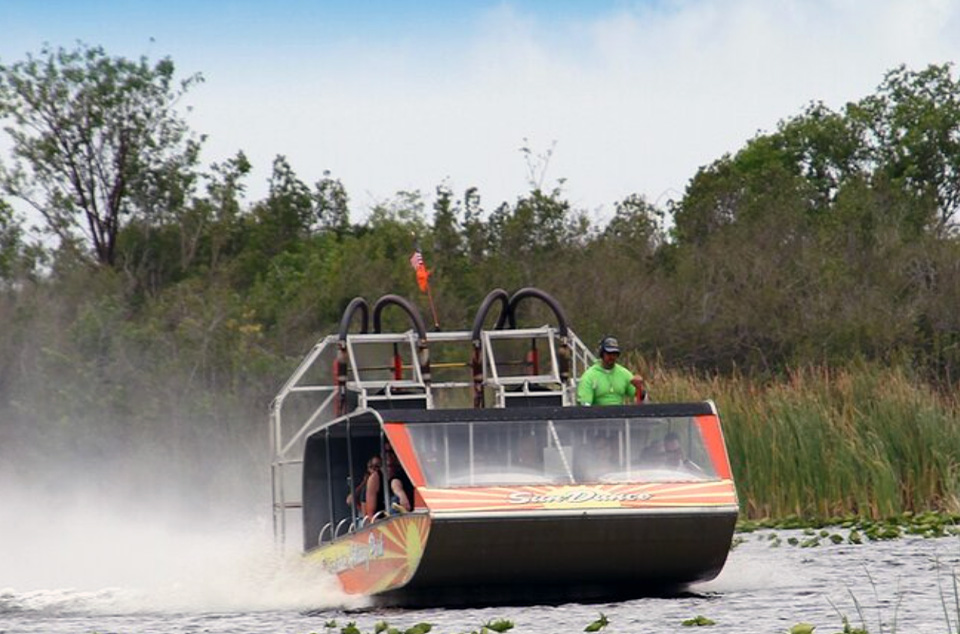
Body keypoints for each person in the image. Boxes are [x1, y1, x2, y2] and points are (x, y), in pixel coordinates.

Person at [577, 336, 647, 406]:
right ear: (602, 354)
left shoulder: (624, 373)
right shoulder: (589, 376)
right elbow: (584, 406)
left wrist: (639, 387)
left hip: (620, 415)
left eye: (614, 354)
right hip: (598, 415)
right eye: (608, 353)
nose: (612, 357)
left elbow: (641, 398)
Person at [362, 441, 412, 519]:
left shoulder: (406, 473)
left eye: (392, 451)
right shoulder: (375, 478)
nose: (389, 456)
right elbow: (370, 513)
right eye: (386, 452)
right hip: (383, 522)